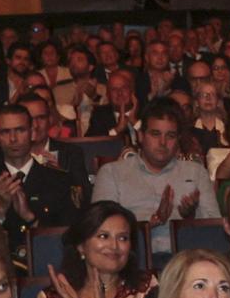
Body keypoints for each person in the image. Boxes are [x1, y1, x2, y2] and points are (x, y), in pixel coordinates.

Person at [89, 99, 216, 259]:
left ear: (178, 139)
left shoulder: (196, 172)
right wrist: (152, 222)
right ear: (141, 136)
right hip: (130, 260)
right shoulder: (112, 173)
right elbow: (100, 230)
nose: (163, 143)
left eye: (170, 136)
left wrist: (190, 217)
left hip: (185, 260)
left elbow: (213, 230)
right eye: (155, 134)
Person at [0, 103, 77, 246]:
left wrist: (30, 217)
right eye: (5, 132)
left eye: (20, 130)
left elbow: (69, 238)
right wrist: (0, 212)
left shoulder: (59, 181)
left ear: (32, 133)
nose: (13, 139)